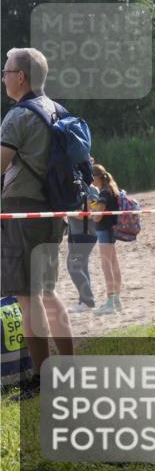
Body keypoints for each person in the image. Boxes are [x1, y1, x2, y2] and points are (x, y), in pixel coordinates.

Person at [0, 47, 74, 396]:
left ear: (21, 77)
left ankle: (43, 379)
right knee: (47, 292)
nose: (3, 76)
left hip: (22, 210)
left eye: (5, 70)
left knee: (27, 297)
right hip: (53, 211)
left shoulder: (18, 116)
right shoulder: (59, 111)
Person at [89, 164, 124, 315]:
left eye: (92, 178)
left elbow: (98, 217)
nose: (91, 181)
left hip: (104, 230)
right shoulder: (111, 189)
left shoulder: (104, 193)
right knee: (114, 264)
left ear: (97, 177)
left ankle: (110, 301)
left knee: (106, 265)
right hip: (111, 230)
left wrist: (91, 212)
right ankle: (116, 300)